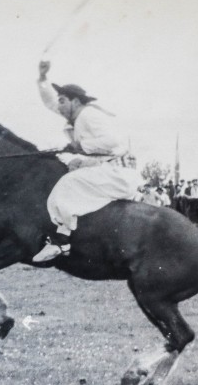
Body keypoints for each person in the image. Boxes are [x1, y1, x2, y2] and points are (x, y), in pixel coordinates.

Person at [32, 60, 142, 262]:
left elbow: (113, 141)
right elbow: (50, 102)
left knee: (67, 183)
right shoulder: (76, 116)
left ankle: (60, 242)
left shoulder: (89, 114)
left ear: (75, 101)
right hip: (108, 170)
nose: (59, 106)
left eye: (63, 101)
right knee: (66, 171)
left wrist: (80, 148)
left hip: (119, 173)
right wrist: (42, 78)